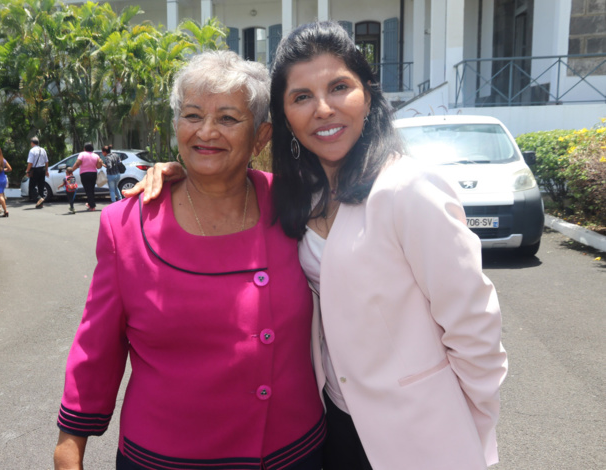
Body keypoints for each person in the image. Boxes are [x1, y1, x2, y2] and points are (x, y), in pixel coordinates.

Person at [129, 21, 507, 470]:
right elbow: (225, 183)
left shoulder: (408, 189)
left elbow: (476, 331)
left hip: (421, 434)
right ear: (284, 116)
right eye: (302, 96)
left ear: (367, 94)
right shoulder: (297, 195)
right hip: (337, 423)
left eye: (339, 87)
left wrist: (470, 437)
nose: (323, 109)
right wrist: (180, 172)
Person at [53, 51, 325, 470]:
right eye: (192, 115)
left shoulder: (295, 203)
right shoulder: (127, 223)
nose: (207, 132)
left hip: (291, 452)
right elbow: (97, 349)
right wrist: (70, 445)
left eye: (229, 119)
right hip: (164, 458)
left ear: (261, 136)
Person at [68, 142, 102, 211]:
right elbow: (98, 166)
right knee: (91, 189)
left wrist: (71, 171)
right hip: (93, 174)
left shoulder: (82, 154)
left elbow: (77, 164)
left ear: (84, 148)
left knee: (88, 190)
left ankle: (92, 206)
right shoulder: (96, 155)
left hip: (85, 174)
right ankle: (90, 204)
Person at [26, 137, 50, 208]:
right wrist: (46, 170)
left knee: (32, 187)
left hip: (35, 170)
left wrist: (27, 171)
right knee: (41, 186)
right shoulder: (43, 150)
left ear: (32, 143)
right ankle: (40, 204)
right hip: (42, 169)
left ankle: (39, 198)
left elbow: (30, 163)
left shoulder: (32, 151)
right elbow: (46, 161)